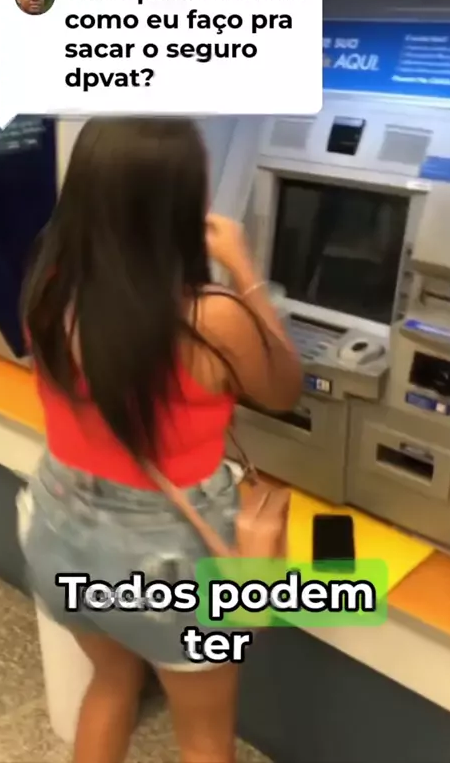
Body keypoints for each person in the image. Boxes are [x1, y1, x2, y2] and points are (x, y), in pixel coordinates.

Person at [18, 118, 302, 763]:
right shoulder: (211, 316)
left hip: (58, 528)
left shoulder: (51, 281)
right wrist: (244, 268)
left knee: (110, 684)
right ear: (179, 203)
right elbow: (284, 388)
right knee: (203, 737)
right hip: (169, 557)